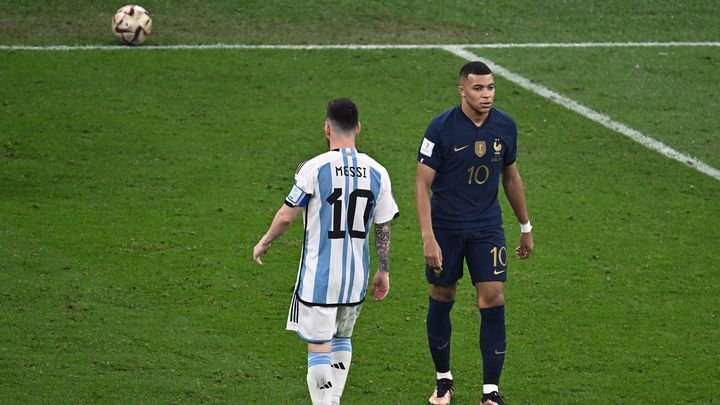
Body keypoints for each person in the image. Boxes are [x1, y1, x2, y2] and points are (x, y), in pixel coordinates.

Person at [253, 98, 399, 405]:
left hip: (319, 280)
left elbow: (286, 216)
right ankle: (333, 400)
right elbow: (383, 227)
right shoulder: (378, 172)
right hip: (356, 280)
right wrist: (383, 270)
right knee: (342, 338)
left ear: (326, 128)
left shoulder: (314, 168)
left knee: (319, 347)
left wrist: (265, 241)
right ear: (358, 128)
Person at [416, 61, 534, 405]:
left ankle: (490, 391)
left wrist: (525, 225)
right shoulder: (440, 128)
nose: (487, 95)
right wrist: (428, 236)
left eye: (491, 87)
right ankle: (443, 381)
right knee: (442, 295)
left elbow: (510, 177)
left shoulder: (505, 126)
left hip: (487, 227)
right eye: (479, 88)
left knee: (493, 297)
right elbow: (422, 185)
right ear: (462, 91)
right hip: (447, 229)